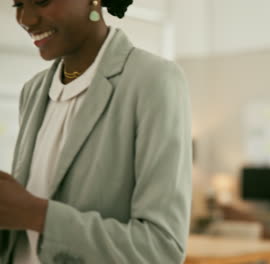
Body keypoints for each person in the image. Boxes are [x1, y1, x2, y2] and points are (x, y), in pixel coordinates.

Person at [0, 0, 192, 263]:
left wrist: (37, 214)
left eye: (41, 1)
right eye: (17, 4)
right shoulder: (33, 91)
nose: (26, 19)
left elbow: (161, 250)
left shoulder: (153, 81)